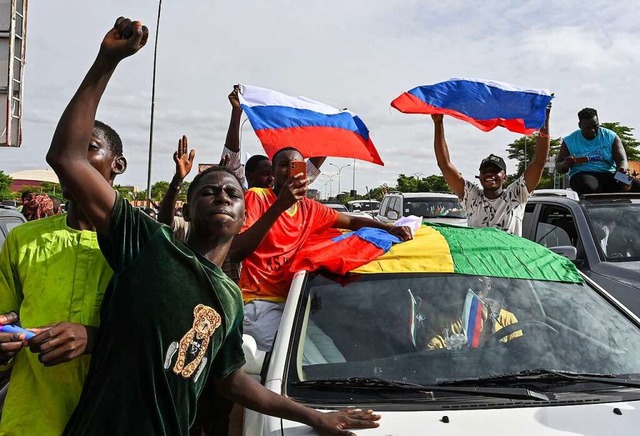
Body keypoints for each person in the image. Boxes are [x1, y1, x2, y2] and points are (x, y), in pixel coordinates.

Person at [47, 17, 380, 435]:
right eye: (209, 191)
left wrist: (316, 417)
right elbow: (68, 158)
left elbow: (230, 380)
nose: (223, 195)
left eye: (232, 193)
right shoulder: (151, 244)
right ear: (189, 205)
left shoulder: (228, 298)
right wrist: (106, 61)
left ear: (244, 213)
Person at [0, 120, 125, 435]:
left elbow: (162, 339)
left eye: (88, 148)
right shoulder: (22, 240)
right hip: (31, 421)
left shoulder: (142, 246)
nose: (71, 158)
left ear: (117, 165)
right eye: (64, 150)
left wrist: (95, 338)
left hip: (115, 419)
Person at [230, 146, 413, 352]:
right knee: (298, 366)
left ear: (303, 172)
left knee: (330, 357)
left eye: (294, 166)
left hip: (296, 303)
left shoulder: (310, 208)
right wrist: (280, 205)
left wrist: (389, 227)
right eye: (282, 165)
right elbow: (237, 251)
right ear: (272, 173)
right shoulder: (257, 197)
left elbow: (352, 221)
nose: (289, 171)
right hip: (259, 303)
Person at [431, 106, 551, 236]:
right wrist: (438, 123)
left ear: (505, 177)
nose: (489, 174)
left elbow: (539, 162)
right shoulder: (471, 198)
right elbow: (445, 165)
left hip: (509, 256)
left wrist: (545, 120)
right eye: (485, 171)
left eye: (495, 171)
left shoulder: (516, 195)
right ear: (479, 176)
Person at [555, 107, 640, 195]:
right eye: (587, 127)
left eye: (595, 126)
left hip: (611, 173)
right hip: (582, 174)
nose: (592, 130)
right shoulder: (569, 140)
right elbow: (559, 167)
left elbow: (622, 160)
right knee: (588, 187)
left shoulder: (610, 136)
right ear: (580, 125)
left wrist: (622, 170)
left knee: (636, 185)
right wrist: (565, 164)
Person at [425, 277, 521, 350]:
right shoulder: (445, 321)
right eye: (473, 281)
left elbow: (520, 352)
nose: (477, 286)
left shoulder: (507, 319)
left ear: (489, 286)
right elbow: (432, 351)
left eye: (481, 282)